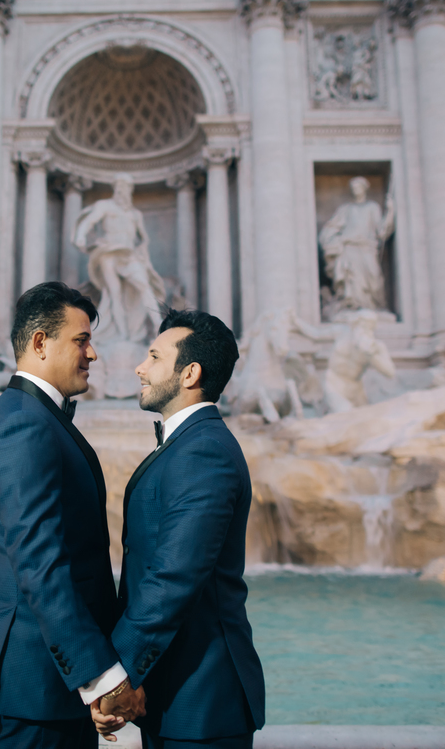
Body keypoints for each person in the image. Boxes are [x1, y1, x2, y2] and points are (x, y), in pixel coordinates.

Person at [0, 281, 146, 749]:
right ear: (40, 343)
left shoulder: (33, 416)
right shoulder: (24, 423)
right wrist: (100, 676)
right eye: (81, 340)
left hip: (53, 681)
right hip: (39, 680)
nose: (93, 354)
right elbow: (39, 562)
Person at [94, 309, 266, 749]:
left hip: (201, 703)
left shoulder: (203, 451)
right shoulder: (187, 445)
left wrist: (117, 677)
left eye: (154, 357)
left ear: (190, 373)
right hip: (175, 697)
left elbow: (175, 576)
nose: (140, 368)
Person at [73, 173, 166, 342]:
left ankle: (158, 324)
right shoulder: (105, 206)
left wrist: (143, 253)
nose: (123, 190)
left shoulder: (135, 214)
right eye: (120, 186)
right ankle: (123, 336)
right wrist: (81, 235)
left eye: (126, 186)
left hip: (129, 254)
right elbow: (89, 221)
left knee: (144, 286)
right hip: (108, 252)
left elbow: (143, 238)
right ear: (115, 188)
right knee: (114, 293)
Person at [318, 176, 394, 312]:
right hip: (349, 248)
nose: (356, 190)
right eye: (353, 188)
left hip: (367, 247)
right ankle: (353, 307)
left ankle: (374, 307)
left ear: (364, 189)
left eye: (358, 187)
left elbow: (381, 231)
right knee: (352, 280)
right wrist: (331, 240)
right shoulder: (346, 209)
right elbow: (331, 227)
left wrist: (390, 212)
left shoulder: (372, 207)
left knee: (373, 278)